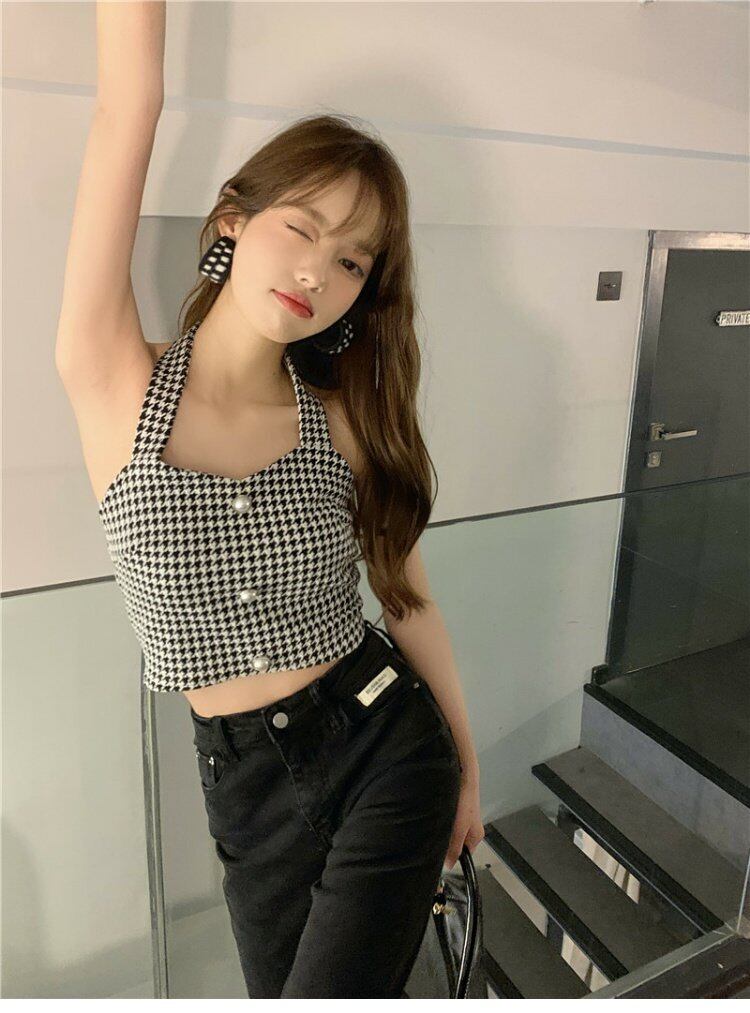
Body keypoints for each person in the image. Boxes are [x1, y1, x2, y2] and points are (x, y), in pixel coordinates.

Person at [55, 1, 483, 998]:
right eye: (303, 227)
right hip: (245, 792)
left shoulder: (343, 420)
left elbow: (409, 599)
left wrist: (467, 766)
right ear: (230, 221)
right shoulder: (115, 380)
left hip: (387, 745)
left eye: (351, 261)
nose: (316, 270)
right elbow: (126, 106)